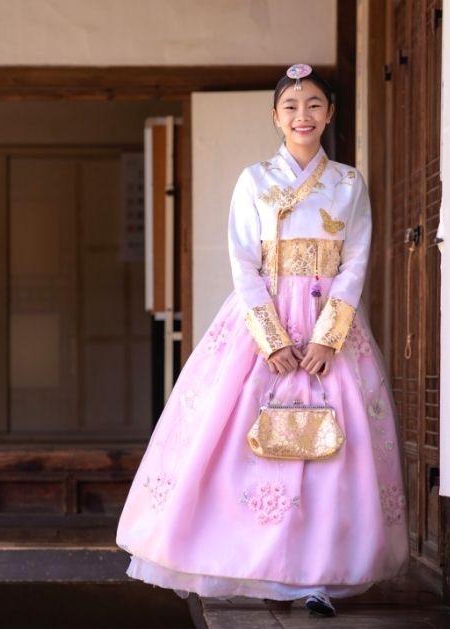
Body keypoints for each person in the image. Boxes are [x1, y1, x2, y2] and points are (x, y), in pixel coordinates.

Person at [116, 63, 409, 618]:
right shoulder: (254, 181)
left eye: (315, 105)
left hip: (329, 324)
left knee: (332, 452)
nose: (303, 116)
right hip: (261, 324)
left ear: (330, 113)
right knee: (246, 446)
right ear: (275, 116)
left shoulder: (349, 184)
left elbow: (356, 261)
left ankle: (320, 576)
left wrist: (328, 337)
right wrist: (271, 339)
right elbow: (243, 261)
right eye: (291, 107)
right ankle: (260, 567)